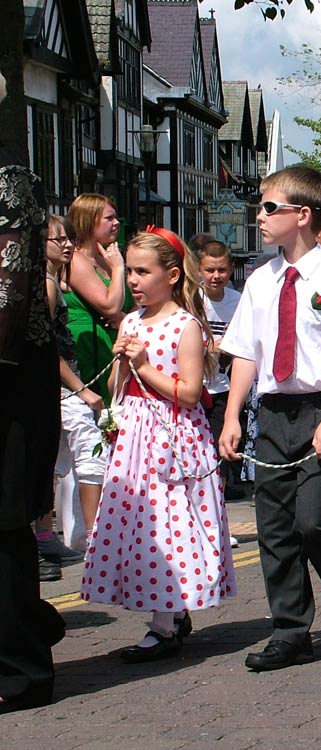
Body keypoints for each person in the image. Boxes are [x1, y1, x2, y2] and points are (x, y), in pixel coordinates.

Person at [219, 166, 321, 671]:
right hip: (273, 411)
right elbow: (245, 352)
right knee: (276, 527)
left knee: (313, 520)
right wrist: (232, 417)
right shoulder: (261, 281)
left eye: (269, 208)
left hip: (319, 408)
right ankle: (291, 630)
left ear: (302, 215)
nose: (259, 216)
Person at [78, 227, 235, 661]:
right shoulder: (130, 321)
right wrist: (122, 362)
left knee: (169, 525)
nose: (132, 280)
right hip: (136, 435)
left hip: (172, 437)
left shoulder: (185, 325)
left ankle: (165, 623)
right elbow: (116, 384)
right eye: (129, 271)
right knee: (141, 524)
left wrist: (143, 365)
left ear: (170, 275)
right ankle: (168, 615)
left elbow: (187, 392)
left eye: (142, 272)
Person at [0, 73, 65, 710]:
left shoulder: (10, 179)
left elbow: (10, 289)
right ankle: (31, 629)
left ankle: (23, 668)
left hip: (13, 375)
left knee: (5, 524)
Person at [42, 214, 105, 571]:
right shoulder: (48, 286)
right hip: (66, 389)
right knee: (89, 453)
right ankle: (95, 534)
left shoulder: (53, 282)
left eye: (68, 239)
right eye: (57, 240)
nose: (66, 245)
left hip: (63, 388)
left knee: (58, 462)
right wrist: (82, 390)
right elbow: (48, 346)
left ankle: (50, 536)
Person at [64, 194, 132, 402]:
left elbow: (135, 302)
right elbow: (109, 306)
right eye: (109, 218)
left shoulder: (107, 259)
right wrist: (119, 268)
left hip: (114, 348)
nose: (117, 223)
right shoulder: (77, 260)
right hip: (89, 350)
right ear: (88, 221)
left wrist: (126, 318)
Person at [198, 240, 242, 500]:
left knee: (220, 453)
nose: (216, 277)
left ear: (231, 269)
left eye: (222, 270)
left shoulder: (238, 300)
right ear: (199, 271)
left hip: (223, 387)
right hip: (194, 386)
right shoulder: (192, 299)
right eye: (210, 270)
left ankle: (217, 514)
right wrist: (209, 345)